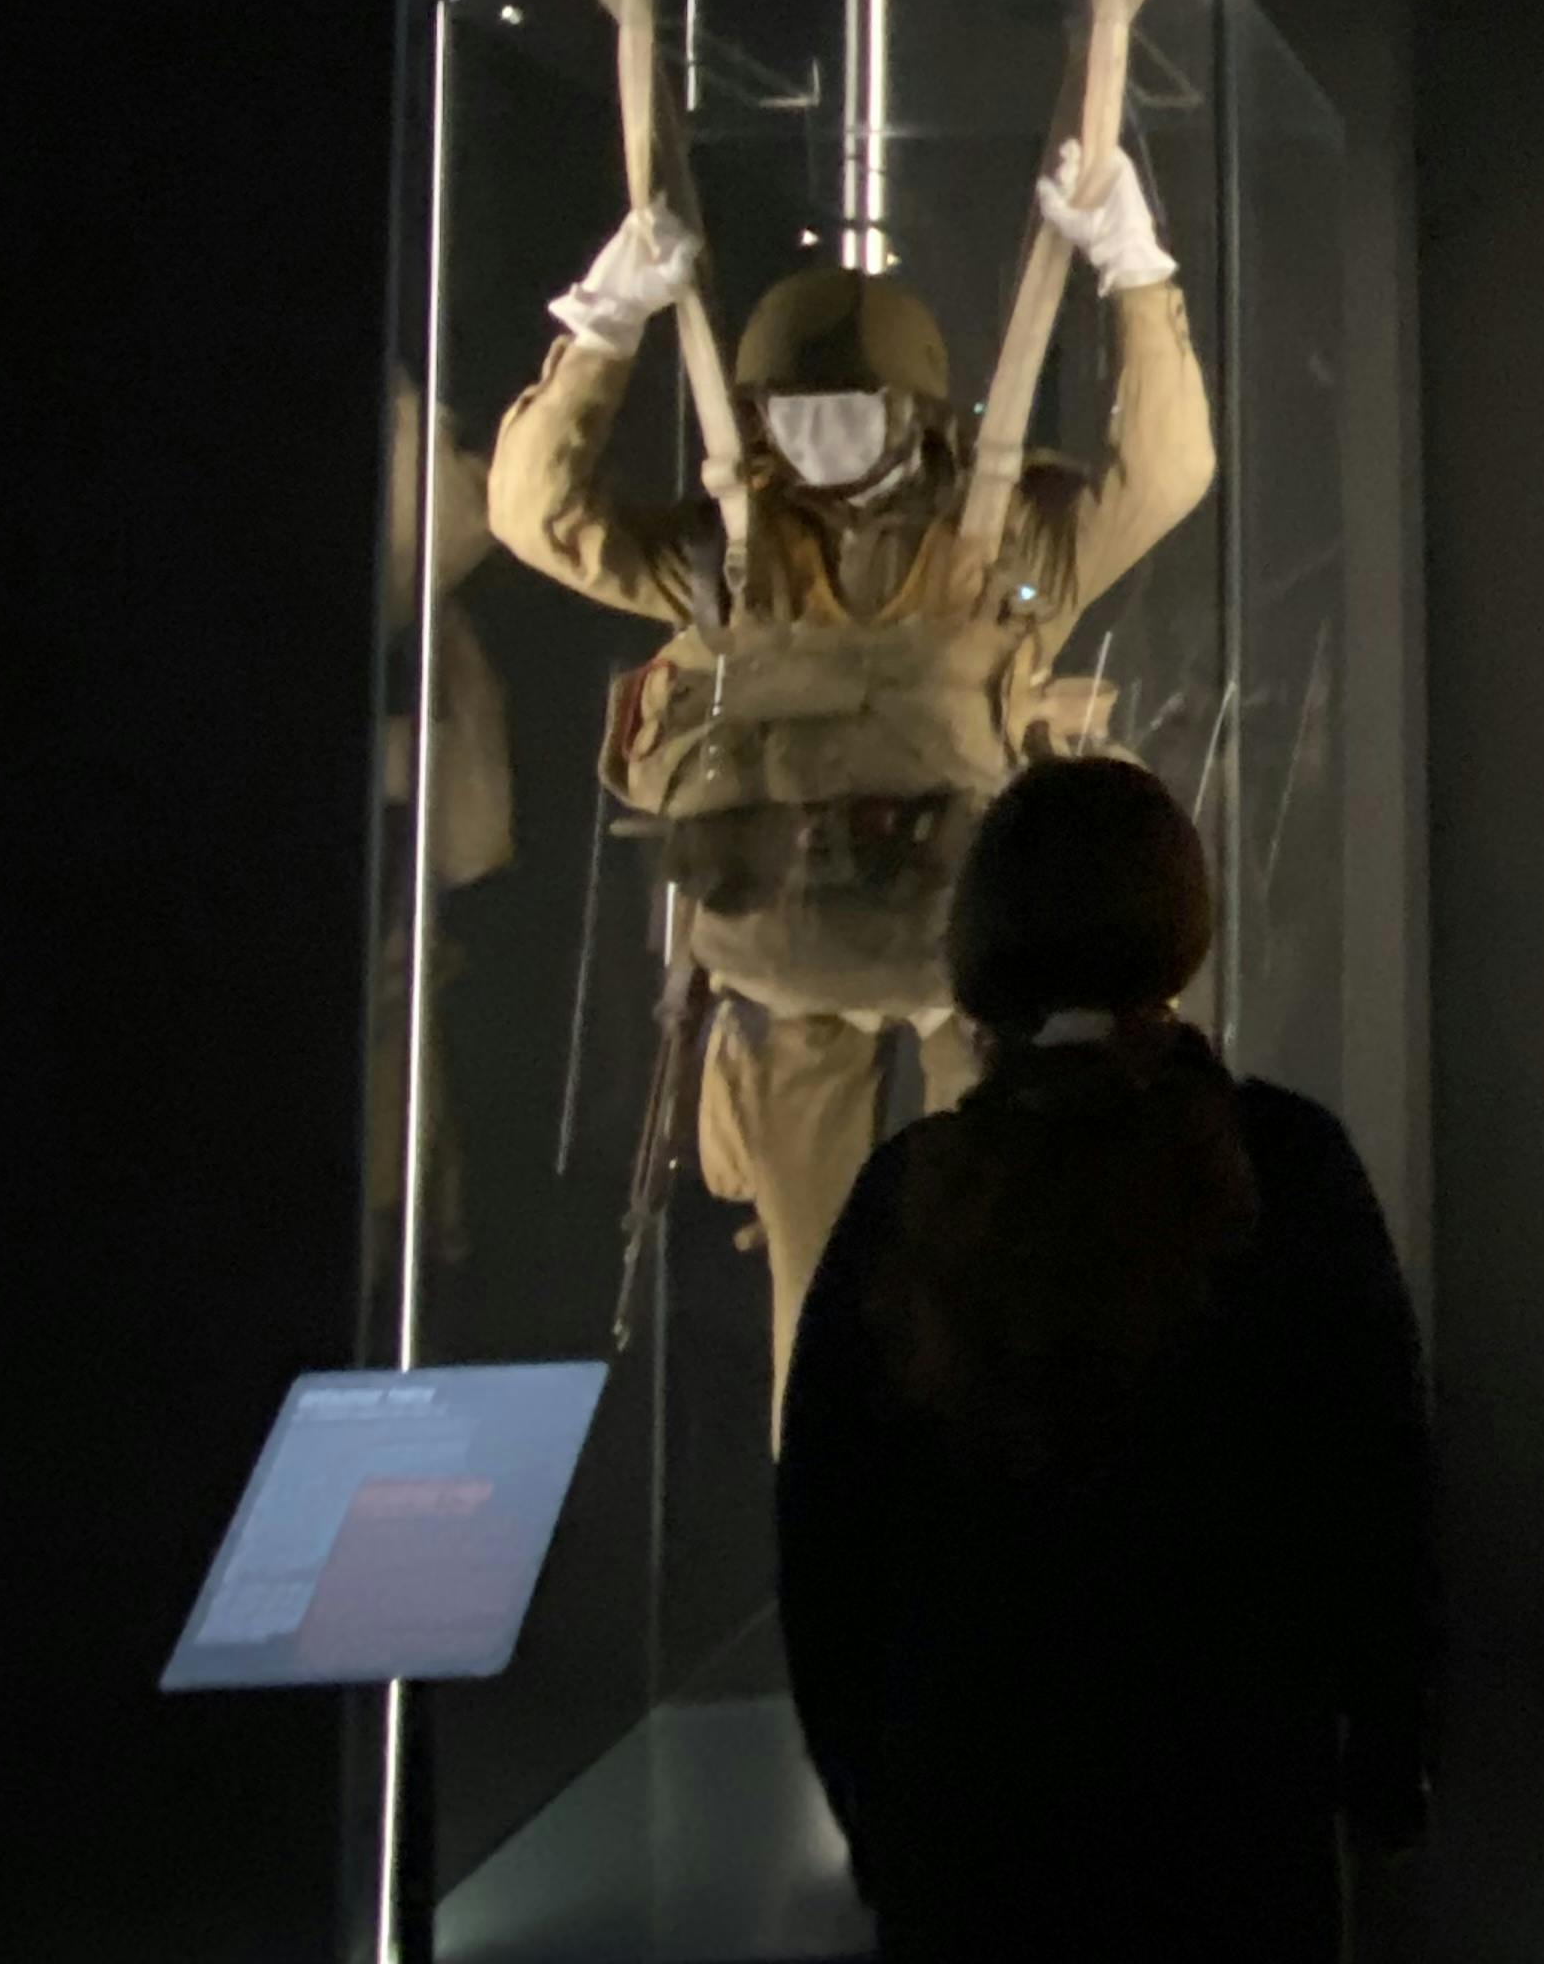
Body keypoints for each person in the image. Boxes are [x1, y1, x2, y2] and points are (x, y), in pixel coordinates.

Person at [488, 144, 1215, 1434]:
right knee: (817, 1309)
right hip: (789, 973)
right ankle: (835, 1508)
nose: (823, 439)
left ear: (915, 413)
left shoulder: (1005, 541)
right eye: (797, 413)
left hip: (969, 974)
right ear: (758, 417)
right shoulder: (728, 558)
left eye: (855, 411)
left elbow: (1164, 478)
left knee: (997, 1288)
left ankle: (993, 1496)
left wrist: (1134, 268)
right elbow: (536, 517)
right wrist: (605, 319)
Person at [776, 757, 1431, 1962]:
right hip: (1231, 1818)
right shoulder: (1286, 1164)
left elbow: (826, 1545)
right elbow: (1378, 1488)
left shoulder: (910, 1193)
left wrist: (878, 1816)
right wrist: (1388, 1769)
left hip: (973, 1838)